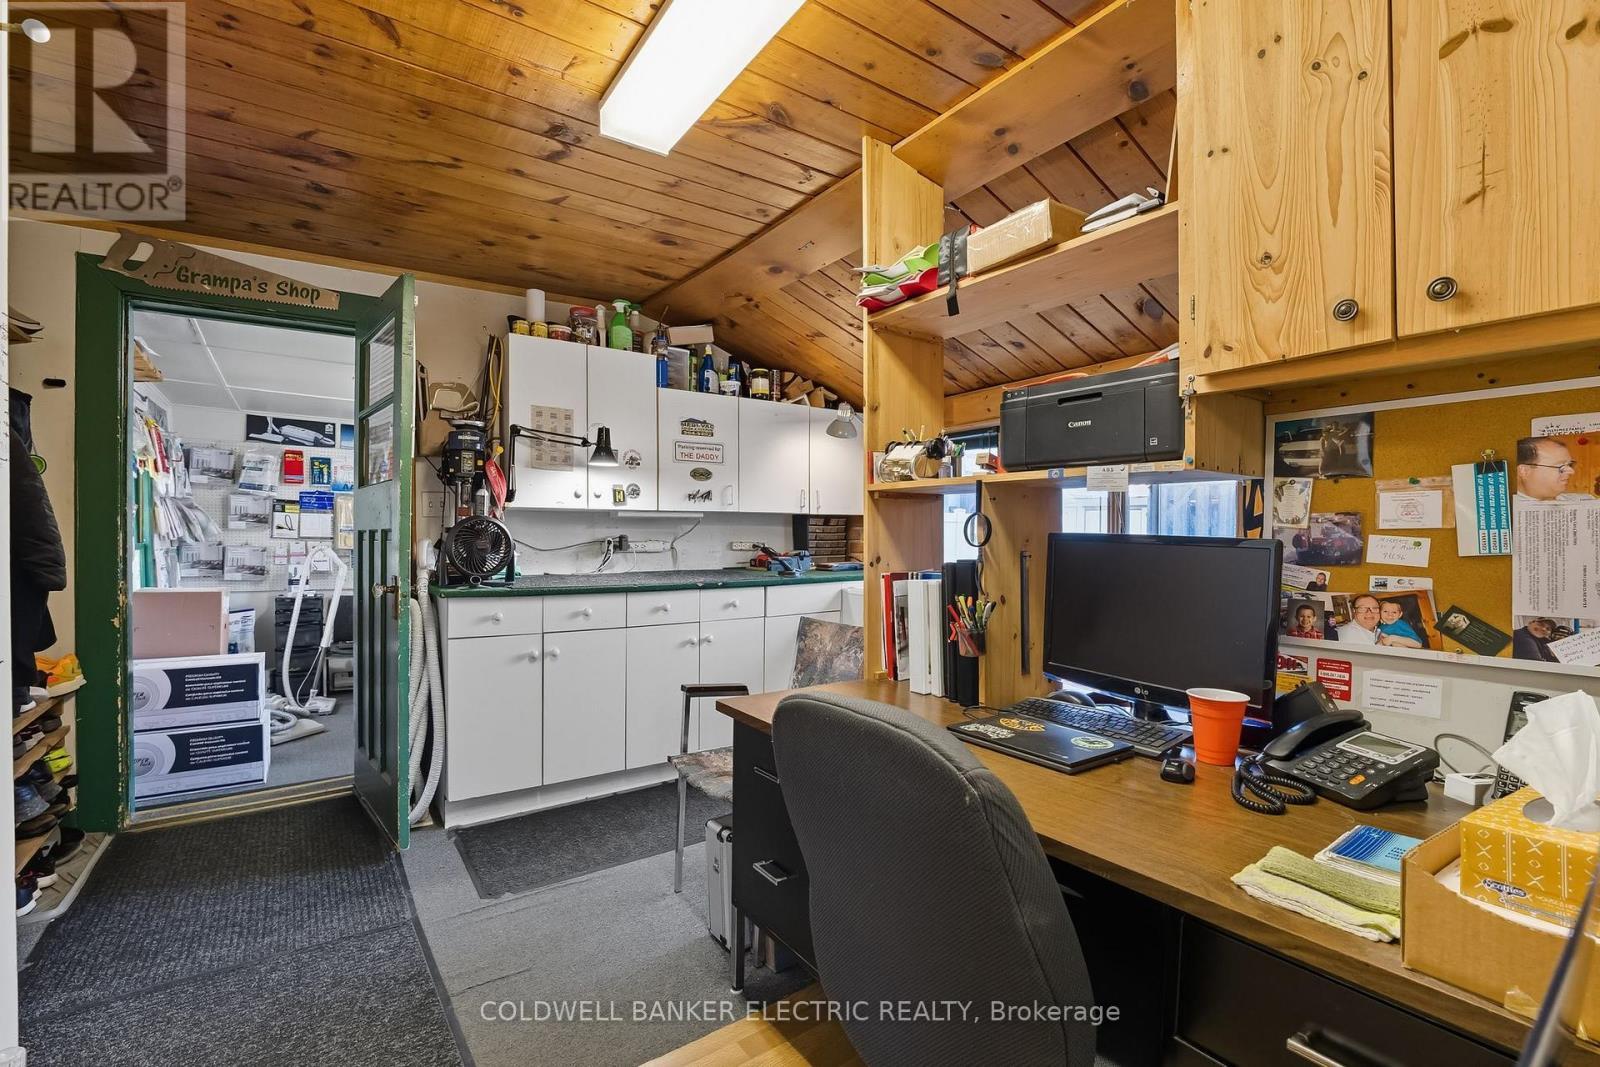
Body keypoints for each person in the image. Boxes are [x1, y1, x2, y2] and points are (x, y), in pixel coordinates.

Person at [1516, 437, 1595, 502]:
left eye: (1570, 464)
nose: (1572, 471)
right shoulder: (1507, 511)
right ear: (1524, 471)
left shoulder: (1586, 501)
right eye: (1560, 466)